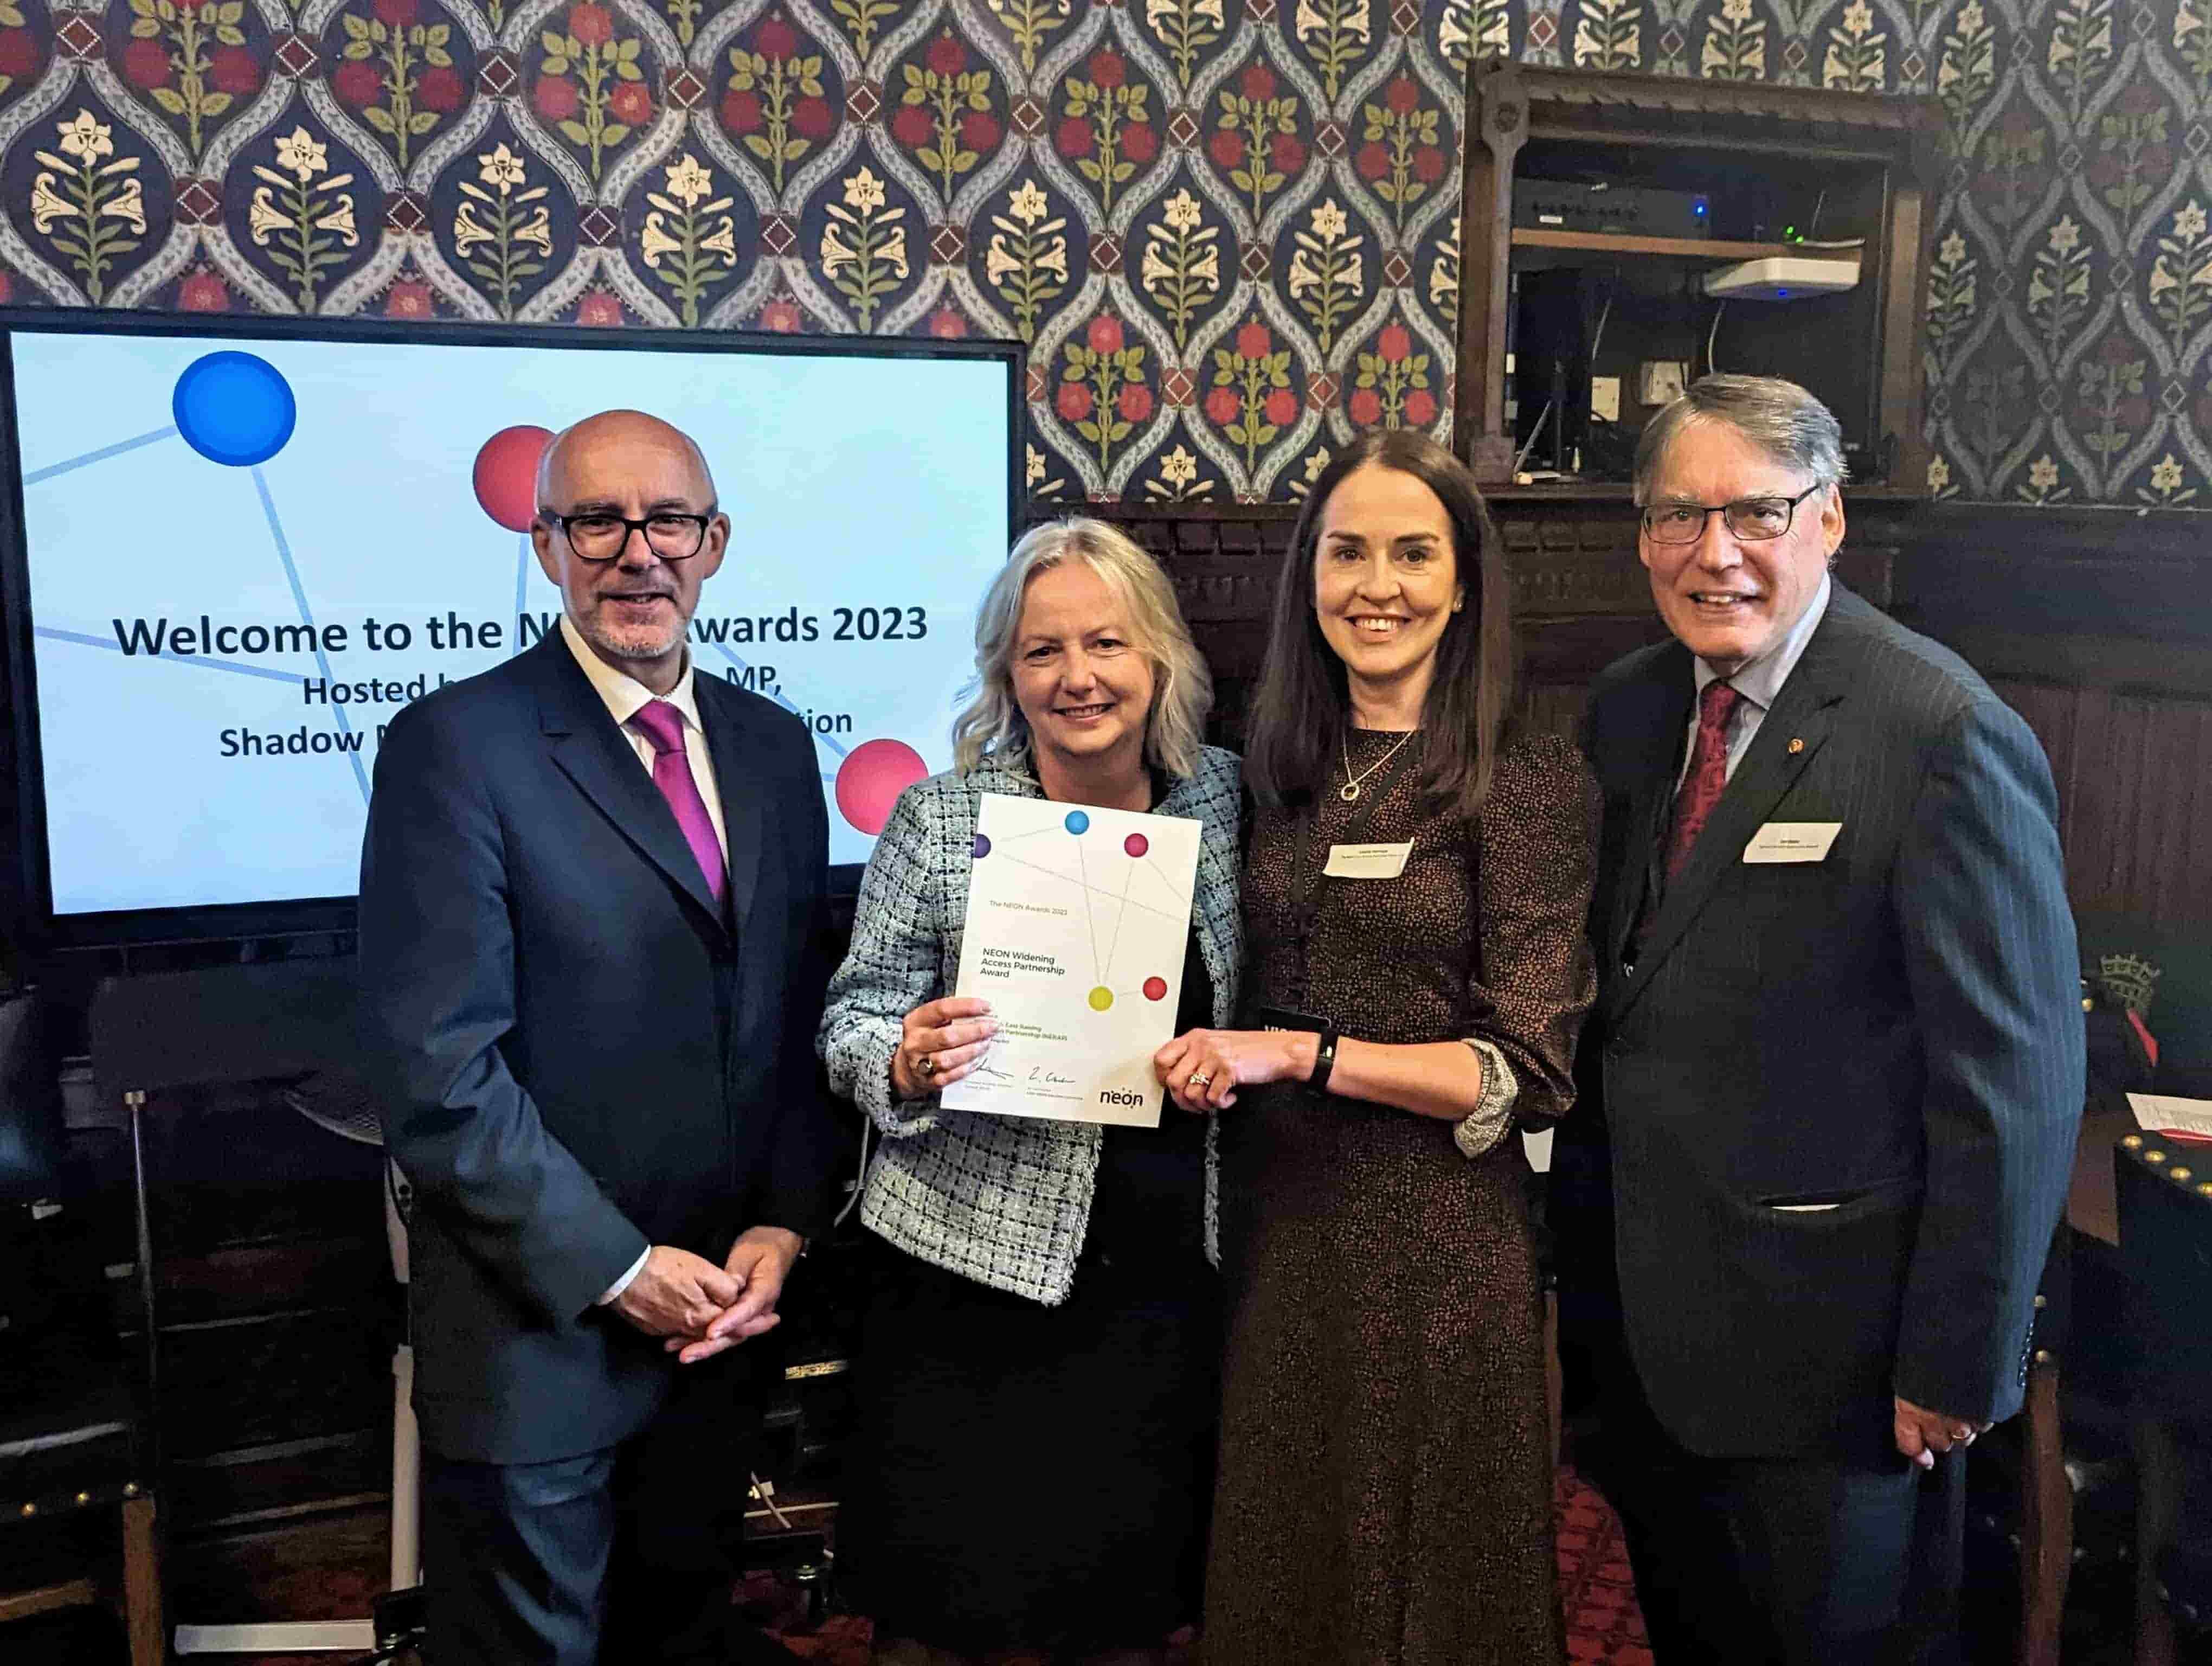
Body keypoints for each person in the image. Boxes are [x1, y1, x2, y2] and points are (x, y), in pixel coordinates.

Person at [1552, 375, 2083, 1664]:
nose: (1714, 552)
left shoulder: (1940, 730)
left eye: (1754, 512)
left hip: (1839, 1370)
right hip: (1648, 1338)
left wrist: (1960, 1365)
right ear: (1640, 533)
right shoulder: (1625, 710)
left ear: (1830, 520)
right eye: (1679, 515)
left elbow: (2015, 1087)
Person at [358, 409, 836, 1665]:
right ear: (546, 544)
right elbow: (440, 1074)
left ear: (715, 541)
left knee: (682, 1639)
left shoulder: (776, 749)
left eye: (667, 519)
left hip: (722, 1327)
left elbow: (790, 1015)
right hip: (544, 1343)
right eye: (598, 522)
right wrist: (625, 1273)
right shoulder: (454, 747)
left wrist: (783, 1224)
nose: (638, 552)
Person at [1157, 429, 1597, 1666]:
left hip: (1442, 1245)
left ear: (1464, 583)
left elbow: (1527, 1073)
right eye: (1348, 553)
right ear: (1310, 579)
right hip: (1277, 1222)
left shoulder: (1528, 781)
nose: (1378, 585)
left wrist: (1301, 1053)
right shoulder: (1270, 773)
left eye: (1414, 554)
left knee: (1438, 1588)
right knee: (1282, 1556)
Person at [818, 519, 1242, 1666]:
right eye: (1042, 650)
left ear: (1159, 659)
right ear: (1007, 670)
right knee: (944, 1608)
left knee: (1126, 1610)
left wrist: (1229, 1057)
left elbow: (1269, 1006)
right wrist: (904, 1054)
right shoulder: (941, 819)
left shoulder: (1229, 806)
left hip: (1160, 1279)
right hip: (969, 1270)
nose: (1078, 677)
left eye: (1106, 643)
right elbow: (848, 1016)